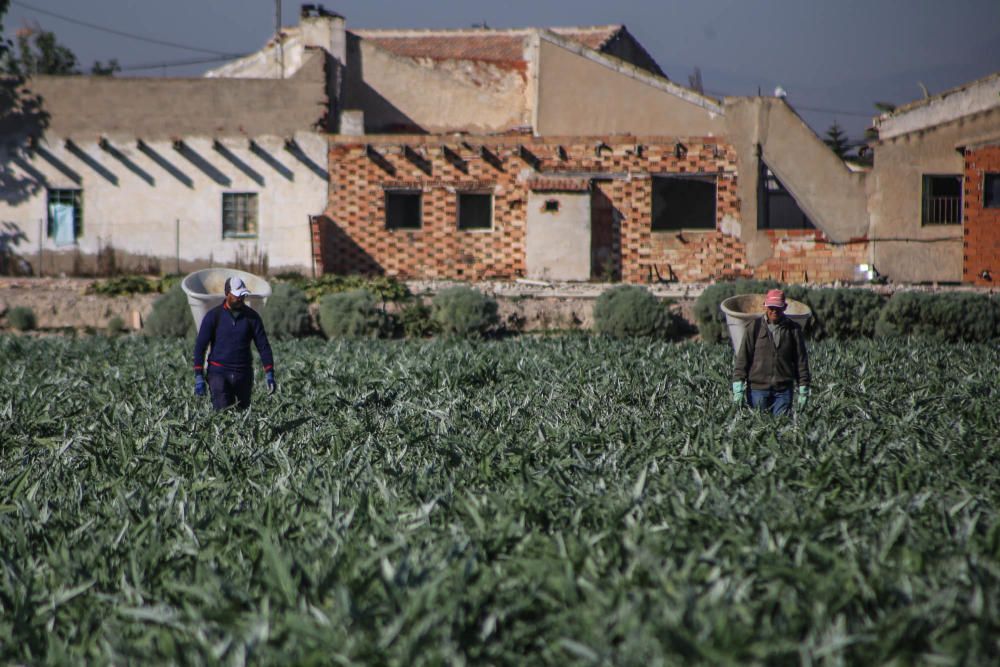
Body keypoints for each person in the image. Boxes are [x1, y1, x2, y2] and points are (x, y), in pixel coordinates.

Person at [193, 276, 276, 410]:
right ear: (227, 294)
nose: (240, 299)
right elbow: (200, 347)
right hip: (218, 372)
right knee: (222, 413)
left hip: (243, 373)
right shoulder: (214, 316)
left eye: (242, 295)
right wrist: (199, 376)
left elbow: (263, 346)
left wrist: (270, 373)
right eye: (236, 295)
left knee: (241, 416)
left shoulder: (252, 318)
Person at [732, 289, 810, 416]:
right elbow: (743, 358)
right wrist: (738, 384)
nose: (774, 311)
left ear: (784, 307)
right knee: (759, 428)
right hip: (757, 389)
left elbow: (801, 361)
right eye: (771, 307)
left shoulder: (793, 330)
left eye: (778, 308)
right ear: (765, 306)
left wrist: (804, 387)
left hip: (783, 390)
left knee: (781, 429)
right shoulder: (754, 327)